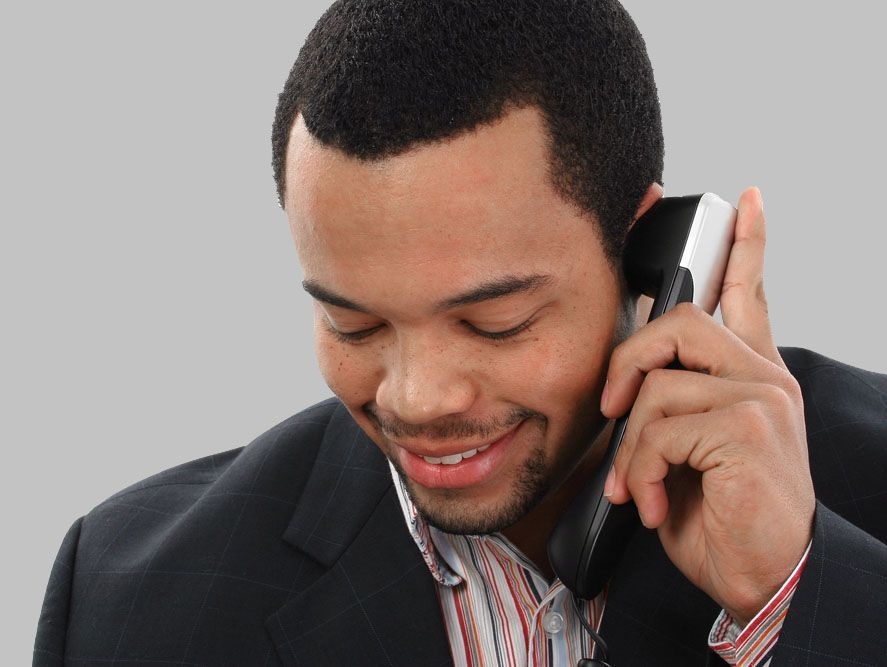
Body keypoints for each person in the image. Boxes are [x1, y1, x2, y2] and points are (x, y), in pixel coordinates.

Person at [34, 1, 886, 665]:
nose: (418, 398)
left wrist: (790, 593)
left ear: (645, 258)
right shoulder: (125, 598)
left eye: (494, 322)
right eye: (352, 322)